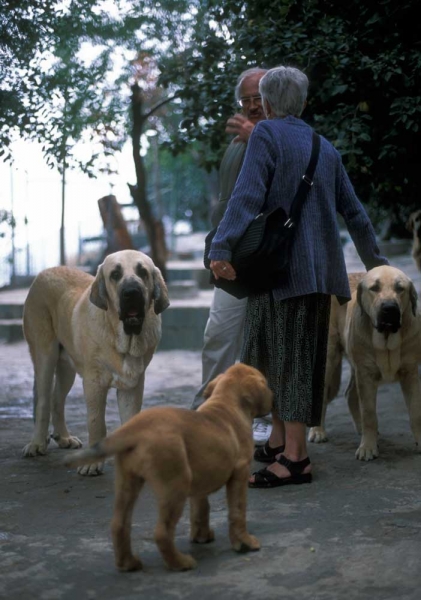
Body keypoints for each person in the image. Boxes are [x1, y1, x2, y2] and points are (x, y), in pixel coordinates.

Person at [208, 66, 389, 488]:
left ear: (267, 104)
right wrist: (376, 261)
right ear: (303, 103)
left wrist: (220, 247)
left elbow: (247, 194)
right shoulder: (324, 146)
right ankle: (277, 441)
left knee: (283, 363)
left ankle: (295, 459)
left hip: (279, 269)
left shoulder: (266, 135)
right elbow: (356, 214)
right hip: (316, 274)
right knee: (281, 357)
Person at [191, 67, 273, 446]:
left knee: (266, 344)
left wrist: (258, 137)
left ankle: (264, 418)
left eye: (259, 98)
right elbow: (226, 204)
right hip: (229, 257)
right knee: (219, 336)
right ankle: (206, 414)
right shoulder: (237, 141)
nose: (253, 106)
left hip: (267, 258)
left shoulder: (276, 136)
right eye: (247, 100)